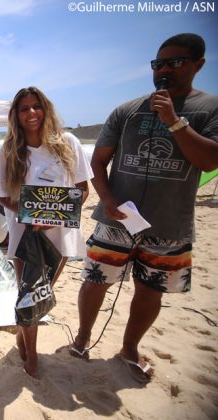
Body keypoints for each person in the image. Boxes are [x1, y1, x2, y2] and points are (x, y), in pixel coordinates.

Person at [71, 33, 218, 383]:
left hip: (170, 225)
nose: (164, 69)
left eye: (175, 62)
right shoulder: (127, 110)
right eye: (159, 63)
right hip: (115, 221)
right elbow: (99, 162)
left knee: (150, 289)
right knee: (94, 280)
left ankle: (129, 347)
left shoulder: (210, 109)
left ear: (198, 65)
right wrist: (107, 199)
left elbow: (210, 159)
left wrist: (175, 122)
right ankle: (82, 336)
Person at [0, 87, 92, 377]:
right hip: (24, 235)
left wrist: (53, 218)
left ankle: (22, 336)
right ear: (16, 115)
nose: (31, 113)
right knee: (28, 293)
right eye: (24, 108)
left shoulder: (68, 142)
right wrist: (26, 215)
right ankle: (32, 355)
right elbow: (0, 194)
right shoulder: (9, 149)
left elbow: (83, 190)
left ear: (45, 108)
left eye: (36, 106)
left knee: (42, 291)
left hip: (59, 235)